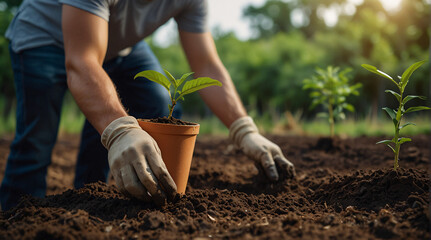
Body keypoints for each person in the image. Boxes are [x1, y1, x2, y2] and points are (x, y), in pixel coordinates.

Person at [0, 0, 295, 210]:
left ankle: (87, 196)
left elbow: (206, 65)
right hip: (43, 38)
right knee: (36, 141)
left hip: (117, 45)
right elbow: (82, 62)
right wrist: (119, 129)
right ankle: (17, 216)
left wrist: (244, 130)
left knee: (155, 100)